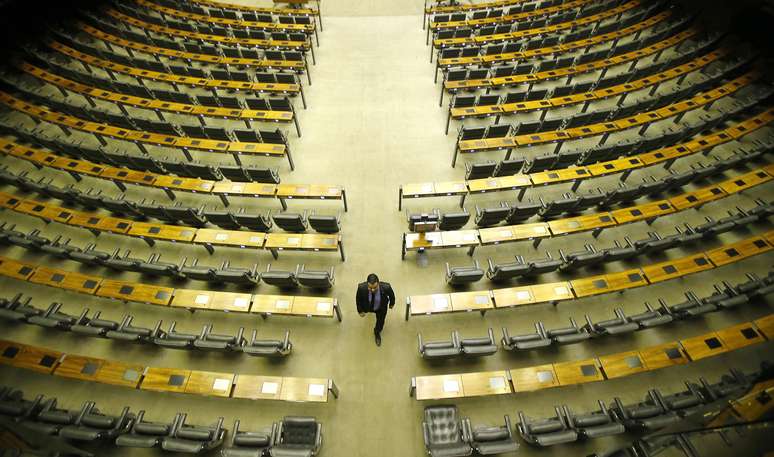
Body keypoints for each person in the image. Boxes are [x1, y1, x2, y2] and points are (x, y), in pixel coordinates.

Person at [356, 273, 395, 346]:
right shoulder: (361, 288)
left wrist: (392, 304)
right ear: (367, 284)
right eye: (370, 288)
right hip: (367, 307)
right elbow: (358, 299)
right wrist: (360, 310)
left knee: (380, 322)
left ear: (378, 284)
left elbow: (392, 296)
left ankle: (377, 332)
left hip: (381, 308)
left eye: (375, 287)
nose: (373, 290)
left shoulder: (386, 287)